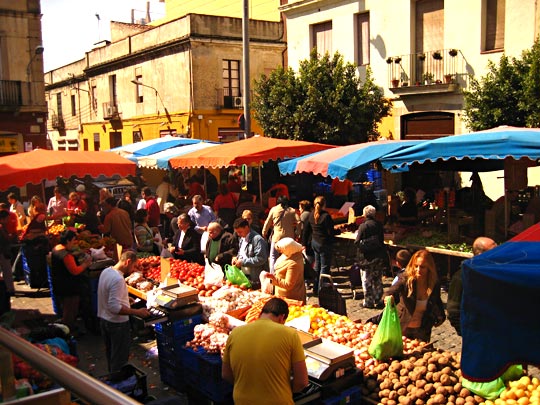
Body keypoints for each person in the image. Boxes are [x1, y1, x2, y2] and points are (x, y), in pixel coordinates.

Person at [222, 297, 308, 405]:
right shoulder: (290, 334)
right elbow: (302, 382)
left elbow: (226, 374)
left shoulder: (235, 333)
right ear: (282, 318)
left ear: (261, 314)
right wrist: (286, 390)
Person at [97, 250, 150, 373]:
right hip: (117, 324)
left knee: (111, 355)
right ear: (127, 262)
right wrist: (137, 312)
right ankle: (118, 385)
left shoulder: (106, 271)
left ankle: (113, 379)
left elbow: (107, 293)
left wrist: (125, 298)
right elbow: (114, 307)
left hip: (104, 320)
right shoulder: (118, 279)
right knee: (119, 359)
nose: (133, 270)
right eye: (133, 266)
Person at [384, 249, 443, 342]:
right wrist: (387, 297)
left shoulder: (433, 283)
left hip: (422, 329)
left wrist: (441, 316)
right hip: (403, 326)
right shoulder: (405, 279)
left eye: (422, 267)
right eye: (416, 266)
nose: (418, 270)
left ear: (429, 268)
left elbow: (437, 300)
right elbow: (390, 291)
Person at [447, 236, 497, 336]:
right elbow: (453, 311)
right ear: (480, 255)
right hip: (474, 334)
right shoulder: (462, 276)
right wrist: (466, 333)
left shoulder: (494, 273)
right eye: (494, 251)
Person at [50, 230, 92, 333]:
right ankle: (68, 330)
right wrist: (86, 264)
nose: (74, 243)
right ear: (68, 241)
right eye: (73, 240)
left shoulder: (56, 249)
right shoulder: (66, 255)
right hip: (69, 287)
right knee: (70, 310)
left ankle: (68, 327)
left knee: (66, 308)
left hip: (59, 284)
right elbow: (75, 271)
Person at [301, 196, 339, 294]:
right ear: (324, 204)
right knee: (324, 267)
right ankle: (321, 290)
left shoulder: (311, 215)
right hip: (324, 243)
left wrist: (304, 243)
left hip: (315, 242)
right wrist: (337, 232)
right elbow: (330, 231)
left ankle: (315, 287)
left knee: (317, 266)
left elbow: (306, 230)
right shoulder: (326, 216)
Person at [355, 205, 388, 309]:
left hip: (366, 258)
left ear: (364, 214)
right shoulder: (379, 225)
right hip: (378, 256)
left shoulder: (363, 226)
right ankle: (378, 300)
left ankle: (368, 301)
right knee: (377, 279)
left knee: (366, 280)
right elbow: (381, 239)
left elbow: (357, 242)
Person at [262, 195, 299, 274]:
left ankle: (273, 274)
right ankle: (287, 273)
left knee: (273, 256)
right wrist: (298, 233)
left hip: (277, 238)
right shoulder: (292, 211)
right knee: (289, 257)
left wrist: (264, 232)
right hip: (289, 239)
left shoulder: (274, 209)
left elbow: (268, 222)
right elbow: (299, 222)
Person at [264, 237, 306, 304]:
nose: (280, 251)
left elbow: (288, 284)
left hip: (290, 297)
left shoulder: (293, 264)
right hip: (281, 293)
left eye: (281, 250)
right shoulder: (291, 253)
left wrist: (273, 279)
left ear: (288, 249)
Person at [232, 218, 268, 286]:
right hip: (245, 276)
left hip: (255, 279)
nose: (238, 234)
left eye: (240, 232)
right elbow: (241, 252)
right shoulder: (242, 239)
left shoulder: (257, 239)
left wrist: (243, 262)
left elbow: (261, 258)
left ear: (246, 227)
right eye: (237, 232)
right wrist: (236, 258)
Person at [0, 211, 15, 296]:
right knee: (7, 271)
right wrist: (12, 236)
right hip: (3, 252)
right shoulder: (1, 227)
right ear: (3, 219)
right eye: (7, 219)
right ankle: (10, 289)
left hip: (2, 251)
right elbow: (7, 239)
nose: (8, 220)